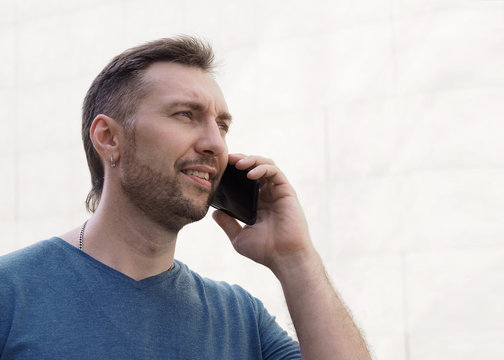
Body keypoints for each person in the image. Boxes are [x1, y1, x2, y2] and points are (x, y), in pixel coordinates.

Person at [0, 36, 371, 359]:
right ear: (109, 138)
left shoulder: (242, 320)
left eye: (222, 126)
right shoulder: (11, 293)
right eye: (185, 115)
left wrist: (295, 258)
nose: (215, 144)